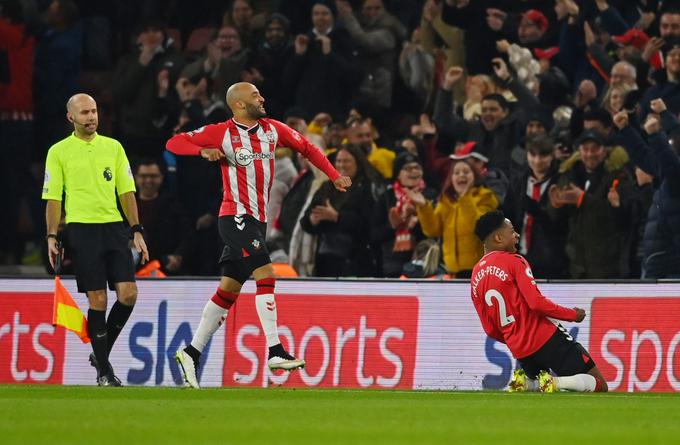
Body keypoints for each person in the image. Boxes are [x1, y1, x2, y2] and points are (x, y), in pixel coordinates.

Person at [166, 82, 351, 389]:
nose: (262, 98)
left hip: (258, 221)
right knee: (266, 272)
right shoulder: (221, 132)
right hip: (235, 216)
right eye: (255, 96)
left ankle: (190, 352)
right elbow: (174, 143)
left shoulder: (272, 130)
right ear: (238, 104)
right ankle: (275, 350)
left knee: (229, 289)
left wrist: (333, 175)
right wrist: (203, 150)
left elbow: (307, 147)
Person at [42, 93, 149, 386]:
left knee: (128, 294)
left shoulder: (113, 148)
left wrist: (136, 229)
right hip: (81, 230)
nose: (91, 117)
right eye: (85, 113)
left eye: (94, 112)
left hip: (114, 228)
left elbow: (126, 191)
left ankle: (100, 355)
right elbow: (53, 198)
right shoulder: (59, 151)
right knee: (98, 299)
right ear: (71, 118)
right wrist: (52, 235)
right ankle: (104, 371)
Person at [471, 210, 608, 393]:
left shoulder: (475, 276)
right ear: (498, 238)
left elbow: (490, 328)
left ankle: (527, 383)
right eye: (512, 231)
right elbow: (536, 302)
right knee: (599, 384)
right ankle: (553, 383)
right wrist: (572, 315)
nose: (517, 235)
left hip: (521, 351)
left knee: (540, 392)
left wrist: (516, 337)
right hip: (546, 339)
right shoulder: (514, 261)